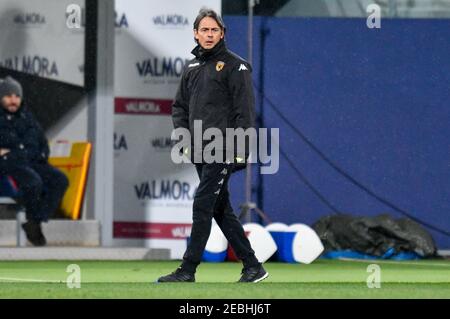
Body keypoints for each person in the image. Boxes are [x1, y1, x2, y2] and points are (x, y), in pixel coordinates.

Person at [157, 8, 268, 283]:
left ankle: (187, 270)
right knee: (220, 209)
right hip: (198, 149)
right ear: (195, 33)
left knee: (202, 205)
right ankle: (253, 266)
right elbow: (179, 107)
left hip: (224, 147)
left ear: (222, 34)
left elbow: (245, 111)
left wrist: (241, 150)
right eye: (204, 30)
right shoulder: (192, 67)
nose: (209, 35)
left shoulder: (235, 66)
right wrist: (183, 138)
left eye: (214, 30)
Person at [0, 76, 69, 246]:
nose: (13, 100)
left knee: (60, 180)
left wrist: (41, 155)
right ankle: (34, 222)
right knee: (33, 182)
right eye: (8, 96)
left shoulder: (27, 117)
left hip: (33, 161)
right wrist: (14, 154)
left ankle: (34, 221)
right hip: (10, 164)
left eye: (16, 96)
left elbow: (42, 143)